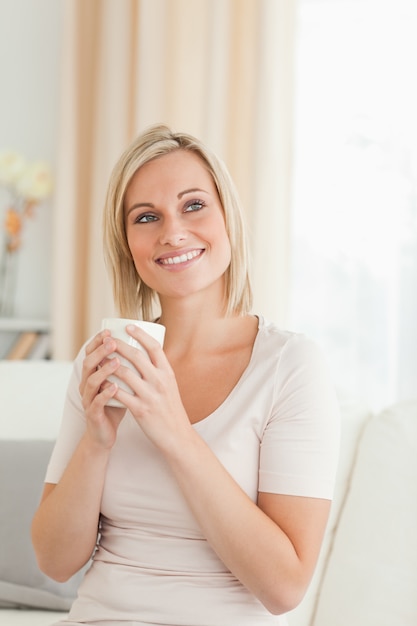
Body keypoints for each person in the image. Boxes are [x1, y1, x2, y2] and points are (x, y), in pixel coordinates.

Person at [31, 124, 340, 626]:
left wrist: (174, 432)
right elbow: (55, 561)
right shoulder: (106, 359)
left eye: (193, 205)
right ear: (127, 244)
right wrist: (96, 441)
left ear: (227, 218)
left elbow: (285, 587)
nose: (172, 232)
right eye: (146, 217)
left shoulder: (290, 367)